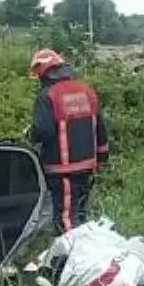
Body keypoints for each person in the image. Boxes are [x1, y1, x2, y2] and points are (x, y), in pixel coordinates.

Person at [27, 48, 110, 232]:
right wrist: (102, 156)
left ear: (43, 72)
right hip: (87, 165)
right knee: (80, 213)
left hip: (62, 169)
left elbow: (43, 131)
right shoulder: (86, 91)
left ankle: (73, 255)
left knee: (66, 219)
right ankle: (88, 253)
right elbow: (100, 127)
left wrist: (30, 135)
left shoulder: (47, 96)